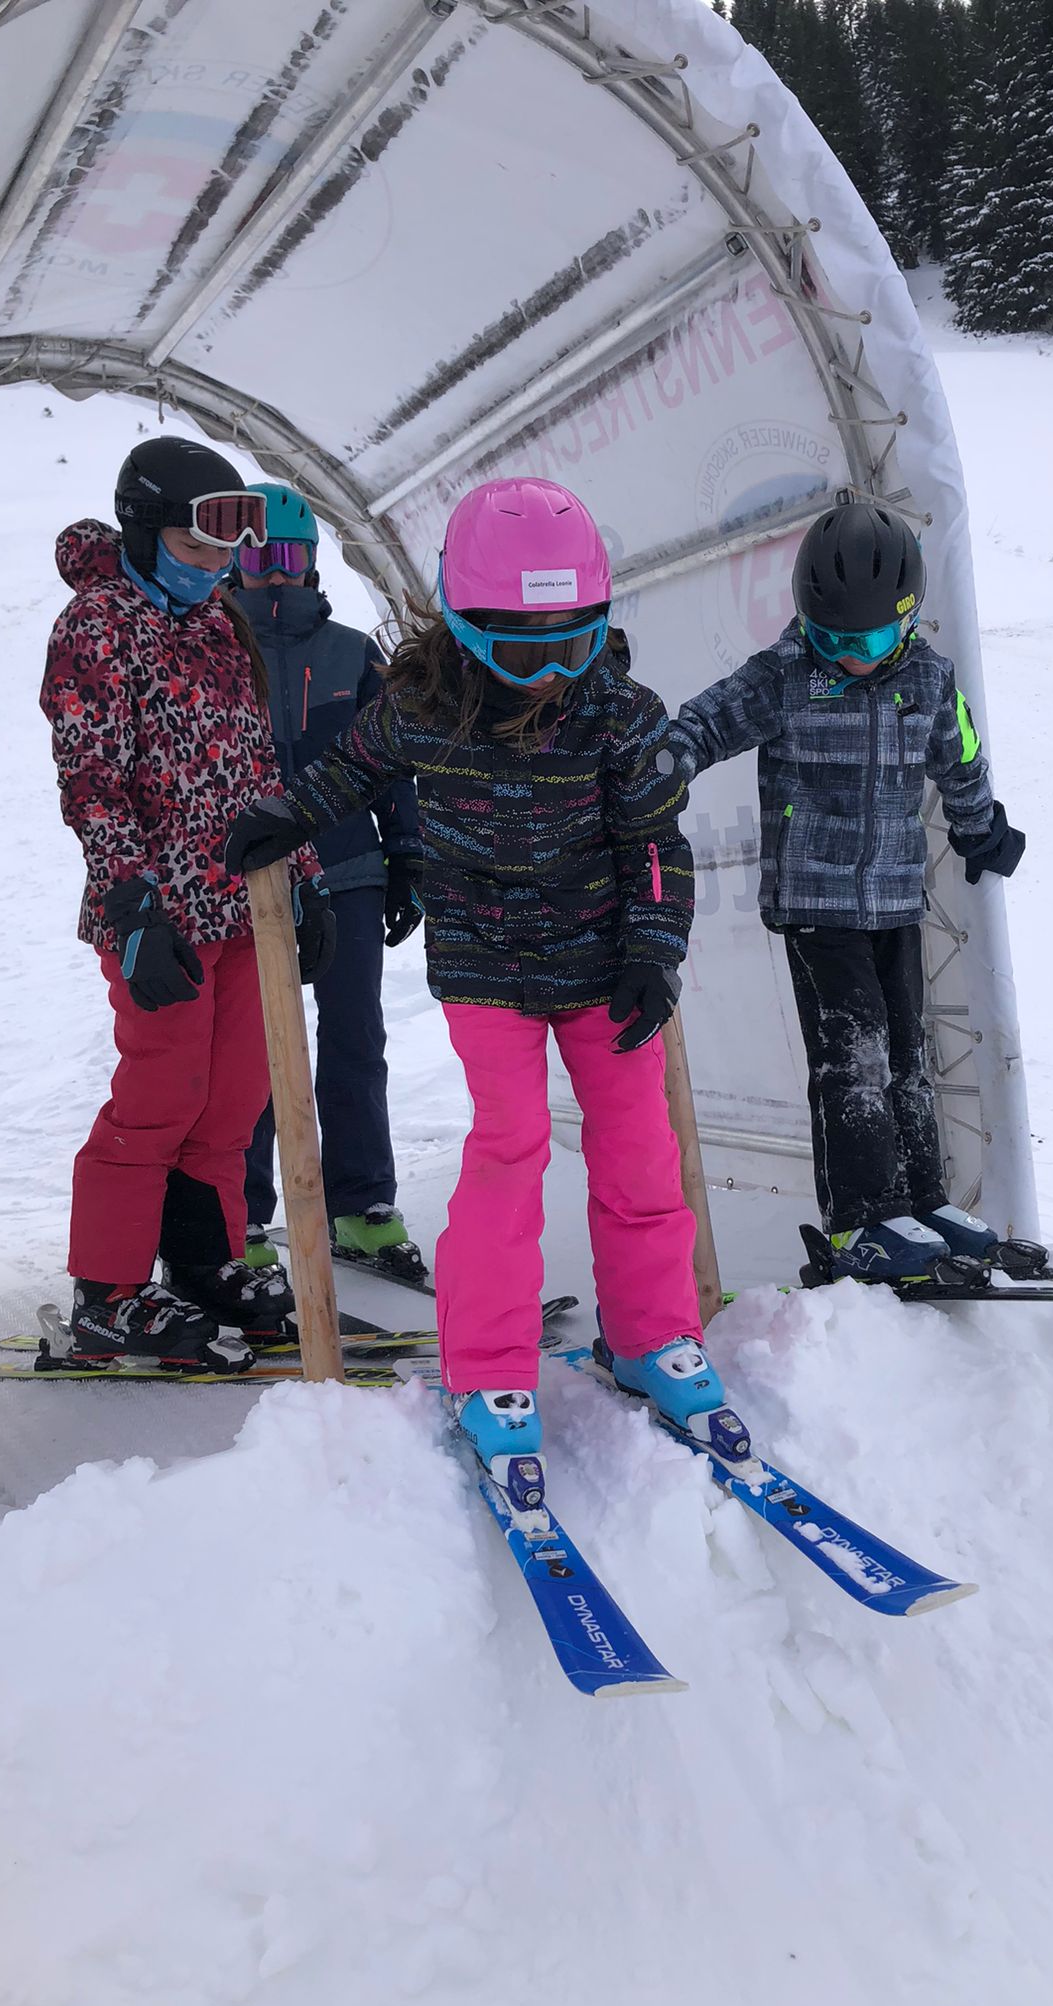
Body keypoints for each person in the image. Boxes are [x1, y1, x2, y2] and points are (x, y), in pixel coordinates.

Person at [223, 477, 746, 1500]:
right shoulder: (422, 706)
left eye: (570, 645)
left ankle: (652, 1334)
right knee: (510, 1146)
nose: (547, 674)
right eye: (519, 650)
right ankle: (491, 1367)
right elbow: (351, 770)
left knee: (640, 1145)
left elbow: (654, 844)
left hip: (603, 962)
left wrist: (653, 949)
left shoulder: (620, 715)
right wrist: (289, 812)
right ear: (464, 630)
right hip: (486, 966)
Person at [668, 501, 1026, 1284]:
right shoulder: (787, 674)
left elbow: (961, 759)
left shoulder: (928, 679)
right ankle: (861, 1221)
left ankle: (921, 1201)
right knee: (852, 1059)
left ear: (908, 620)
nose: (848, 656)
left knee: (905, 1056)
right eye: (830, 638)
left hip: (894, 896)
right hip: (815, 902)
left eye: (866, 642)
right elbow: (706, 722)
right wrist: (665, 762)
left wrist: (980, 829)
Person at [41, 437, 337, 1366]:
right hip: (157, 914)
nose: (212, 565)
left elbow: (258, 770)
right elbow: (91, 782)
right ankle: (108, 1290)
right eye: (193, 544)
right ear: (141, 530)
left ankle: (205, 1262)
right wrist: (132, 905)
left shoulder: (218, 624)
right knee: (160, 1096)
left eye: (224, 550)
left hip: (245, 907)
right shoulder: (96, 624)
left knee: (233, 1099)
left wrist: (307, 878)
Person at [229, 482, 426, 1285]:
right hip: (248, 885)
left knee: (354, 1039)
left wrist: (407, 855)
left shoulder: (353, 654)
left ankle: (361, 1205)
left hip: (346, 873)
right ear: (234, 564)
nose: (275, 574)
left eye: (288, 556)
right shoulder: (214, 652)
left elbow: (394, 762)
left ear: (311, 562)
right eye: (258, 558)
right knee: (251, 1050)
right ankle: (238, 1217)